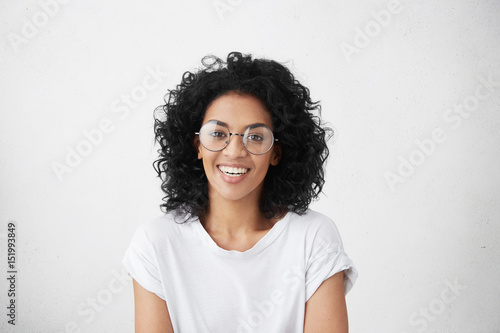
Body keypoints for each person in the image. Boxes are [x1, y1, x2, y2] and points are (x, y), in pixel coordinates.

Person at [122, 52, 357, 332]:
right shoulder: (156, 243)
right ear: (197, 145)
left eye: (256, 137)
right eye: (218, 134)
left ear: (276, 153)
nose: (234, 151)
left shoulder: (313, 239)